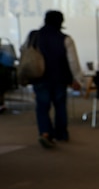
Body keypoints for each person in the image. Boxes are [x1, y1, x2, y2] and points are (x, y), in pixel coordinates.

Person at [29, 10, 85, 148]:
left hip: (39, 77)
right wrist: (78, 79)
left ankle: (45, 133)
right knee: (60, 106)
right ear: (61, 22)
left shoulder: (34, 36)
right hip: (60, 78)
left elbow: (25, 52)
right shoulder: (65, 39)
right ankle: (61, 134)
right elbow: (73, 61)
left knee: (42, 107)